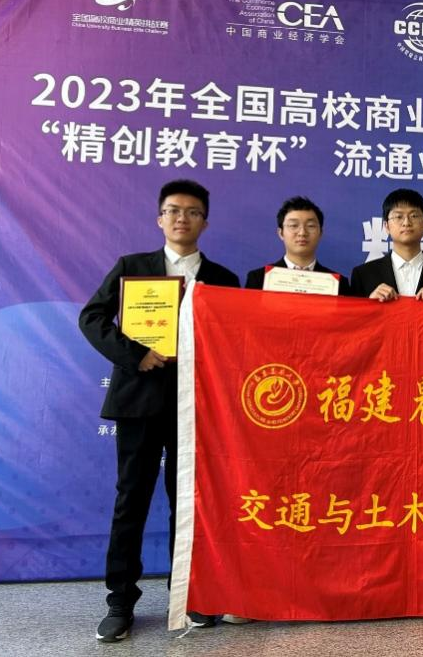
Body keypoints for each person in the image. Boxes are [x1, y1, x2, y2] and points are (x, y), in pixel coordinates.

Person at [78, 179, 239, 642]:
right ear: (160, 218)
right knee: (132, 499)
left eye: (192, 212)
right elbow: (91, 317)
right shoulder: (132, 268)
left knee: (189, 501)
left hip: (199, 405)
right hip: (139, 400)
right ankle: (120, 601)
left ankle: (186, 593)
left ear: (205, 222)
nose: (182, 218)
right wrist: (136, 354)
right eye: (173, 210)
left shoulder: (223, 279)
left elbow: (236, 340)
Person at [349, 188, 423, 307]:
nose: (406, 223)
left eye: (414, 216)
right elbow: (352, 317)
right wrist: (368, 304)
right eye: (398, 217)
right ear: (386, 226)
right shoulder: (363, 275)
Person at [244, 196, 350, 295]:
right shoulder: (259, 279)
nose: (302, 233)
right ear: (281, 233)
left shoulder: (339, 284)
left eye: (310, 226)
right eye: (294, 225)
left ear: (320, 233)